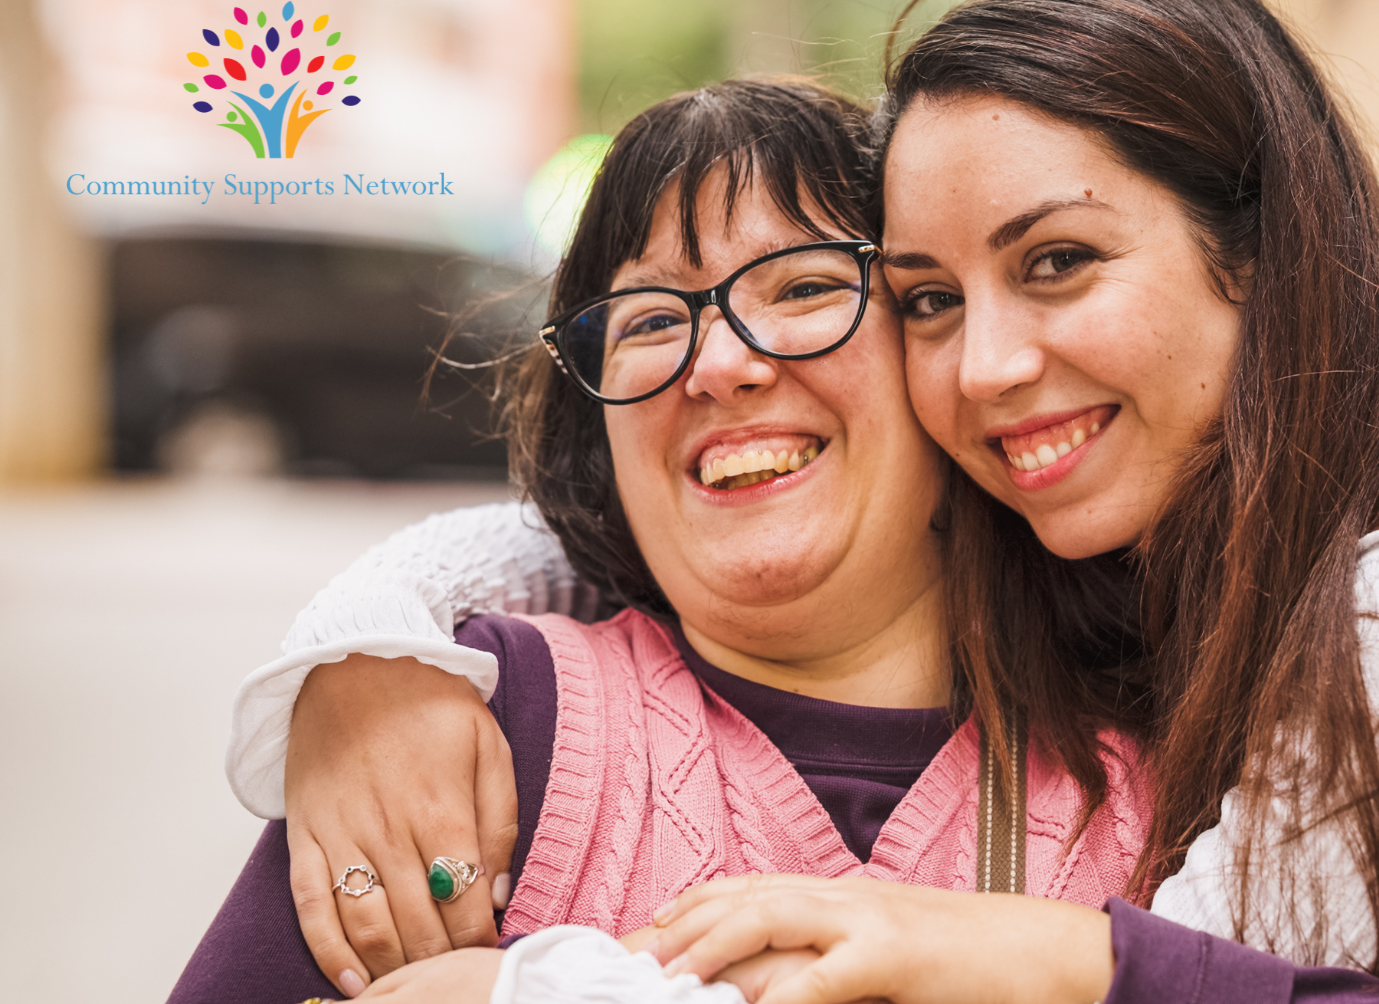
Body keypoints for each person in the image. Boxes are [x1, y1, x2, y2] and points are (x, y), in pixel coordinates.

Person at [229, 0, 1379, 1004]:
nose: (983, 370)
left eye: (1057, 265)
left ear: (1262, 255)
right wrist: (374, 645)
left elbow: (1235, 986)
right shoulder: (1252, 489)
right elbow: (687, 487)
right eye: (930, 301)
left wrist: (534, 995)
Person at [166, 77, 1160, 1004]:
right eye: (648, 320)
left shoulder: (1175, 772)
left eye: (805, 289)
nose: (720, 363)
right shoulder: (464, 723)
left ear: (935, 338)